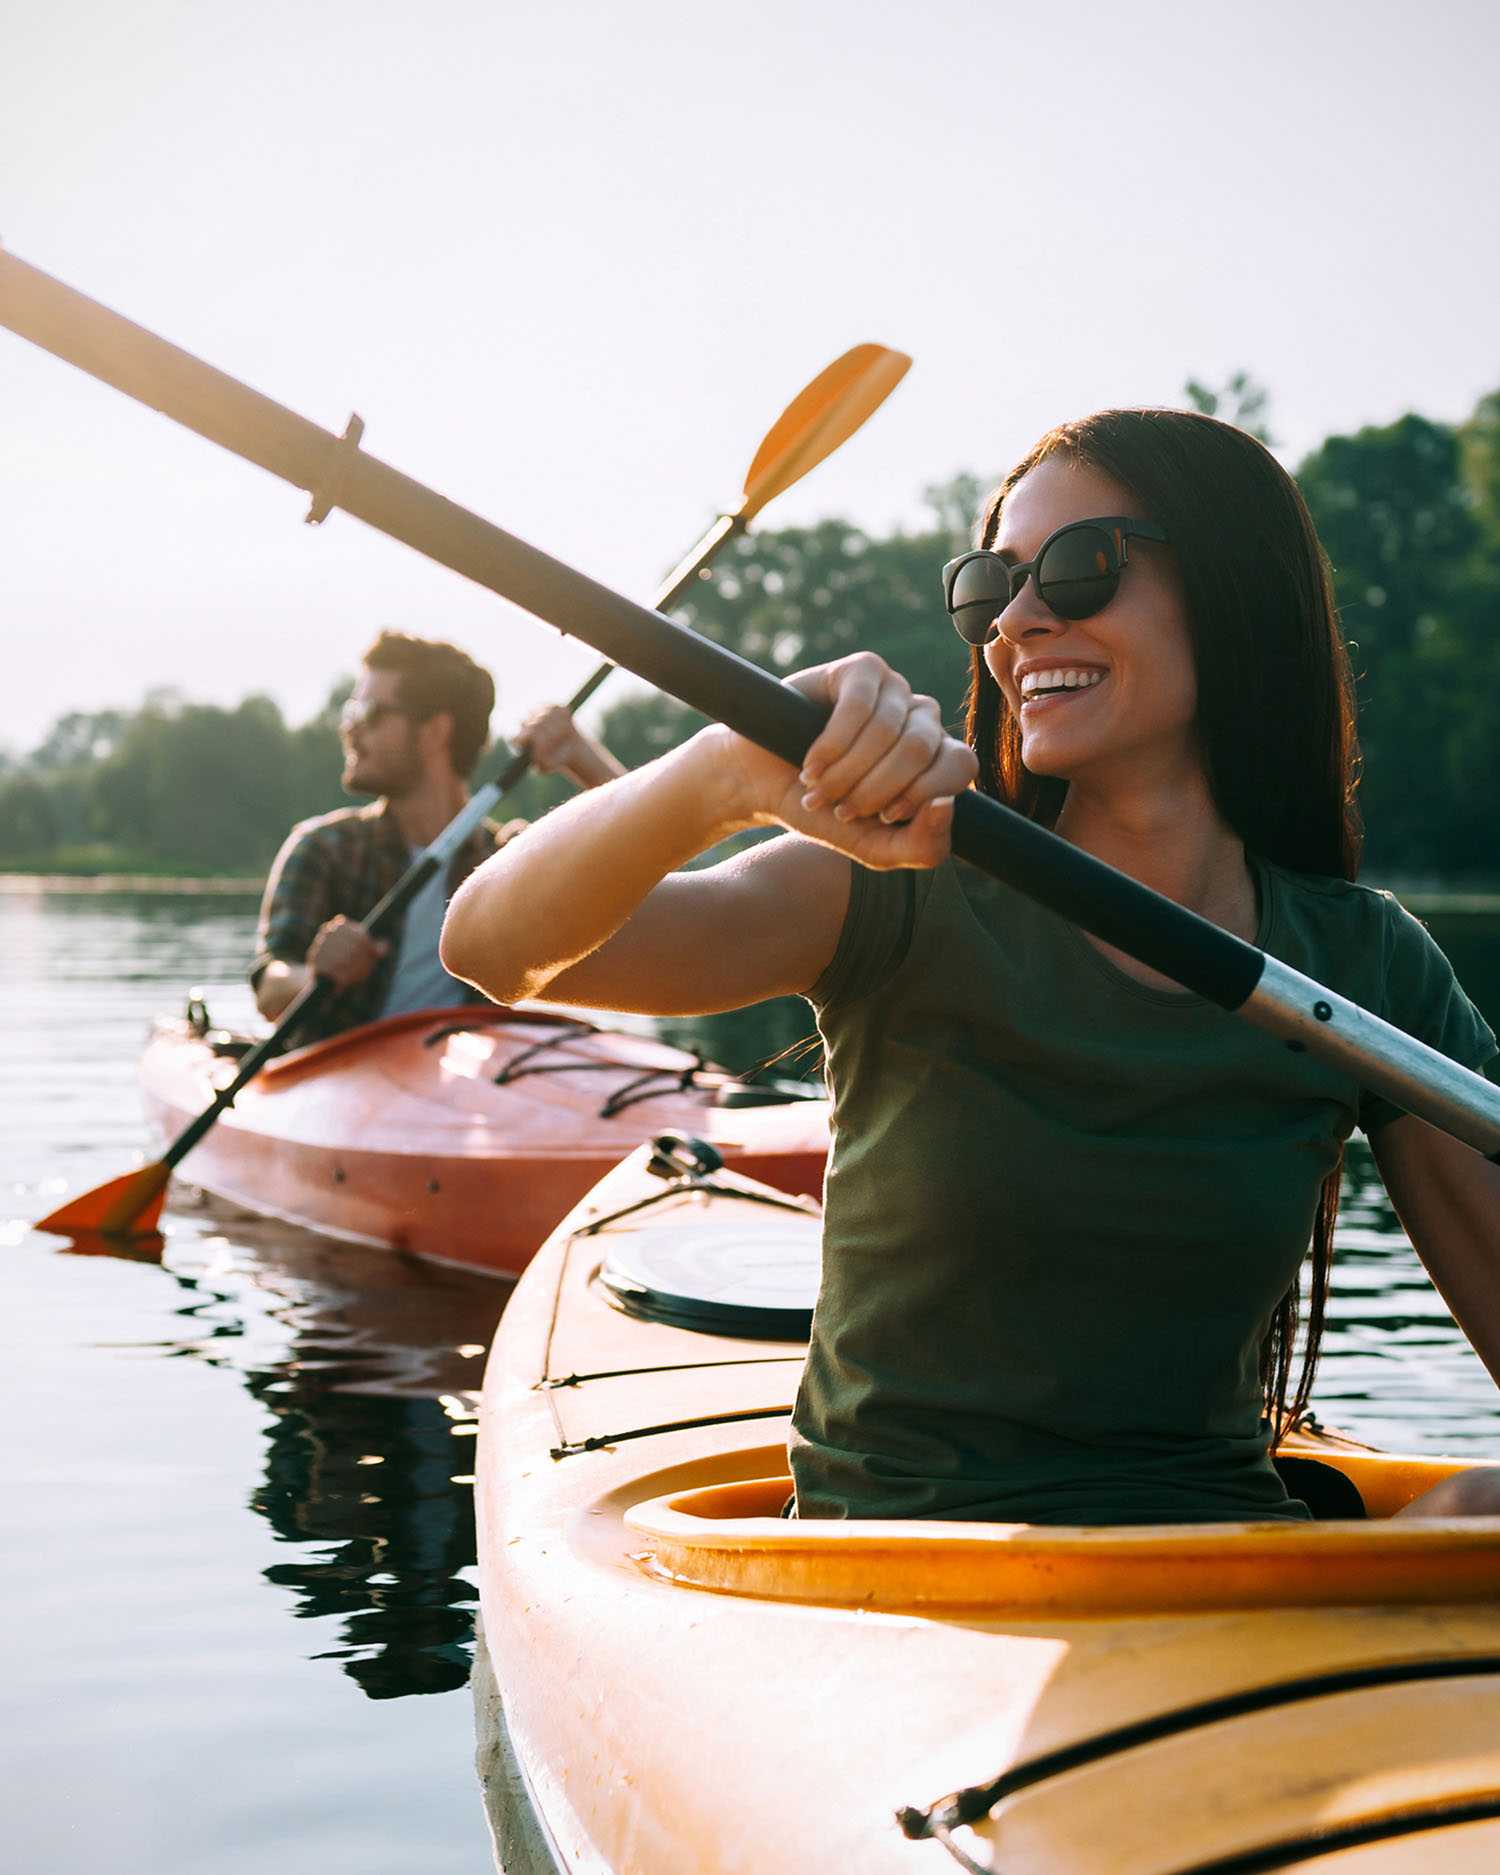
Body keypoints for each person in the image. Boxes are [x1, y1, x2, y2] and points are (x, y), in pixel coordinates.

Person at [439, 409, 1500, 1525]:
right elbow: (493, 949)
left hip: (1228, 1573)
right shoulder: (894, 881)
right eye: (991, 589)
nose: (1019, 626)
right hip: (896, 1581)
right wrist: (722, 777)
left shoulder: (1362, 966)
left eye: (1081, 568)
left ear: (1235, 590)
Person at [253, 631, 623, 1043]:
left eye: (370, 713)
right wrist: (315, 974)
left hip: (463, 1088)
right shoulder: (323, 849)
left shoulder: (508, 860)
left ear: (434, 732)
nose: (351, 730)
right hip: (338, 1080)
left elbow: (646, 859)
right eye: (351, 710)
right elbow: (271, 988)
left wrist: (580, 756)